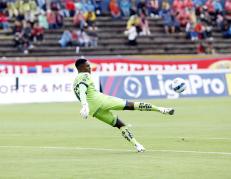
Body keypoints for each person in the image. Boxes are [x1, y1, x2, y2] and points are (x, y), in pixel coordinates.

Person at [73, 58, 175, 152]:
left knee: (120, 125)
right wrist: (84, 104)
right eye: (87, 66)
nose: (90, 68)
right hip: (101, 101)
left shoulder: (74, 82)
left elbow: (80, 92)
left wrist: (85, 106)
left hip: (93, 110)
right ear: (81, 67)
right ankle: (161, 109)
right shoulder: (85, 75)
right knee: (131, 105)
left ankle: (137, 145)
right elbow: (82, 89)